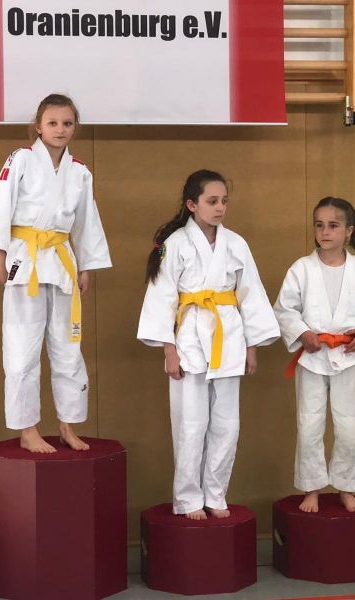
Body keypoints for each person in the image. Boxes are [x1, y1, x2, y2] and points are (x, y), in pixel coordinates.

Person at [137, 170, 279, 519]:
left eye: (224, 201)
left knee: (227, 424)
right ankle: (188, 498)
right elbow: (162, 297)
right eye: (212, 201)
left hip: (229, 334)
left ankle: (216, 494)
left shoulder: (236, 244)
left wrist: (252, 345)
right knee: (191, 423)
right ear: (192, 205)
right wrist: (168, 350)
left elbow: (251, 294)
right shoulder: (176, 244)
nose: (220, 208)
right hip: (189, 336)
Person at [0, 93, 111, 454]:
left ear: (75, 128)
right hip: (24, 260)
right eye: (52, 123)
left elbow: (87, 221)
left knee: (68, 348)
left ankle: (68, 425)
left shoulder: (79, 171)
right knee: (22, 349)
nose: (60, 129)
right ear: (38, 126)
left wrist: (85, 266)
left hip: (62, 261)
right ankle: (28, 429)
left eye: (67, 123)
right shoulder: (21, 159)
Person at [274, 196, 355, 513]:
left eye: (333, 226)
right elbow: (285, 309)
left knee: (350, 428)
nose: (325, 232)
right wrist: (302, 333)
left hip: (349, 355)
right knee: (309, 426)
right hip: (312, 357)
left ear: (349, 231)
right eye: (320, 225)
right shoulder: (301, 269)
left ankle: (346, 488)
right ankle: (311, 489)